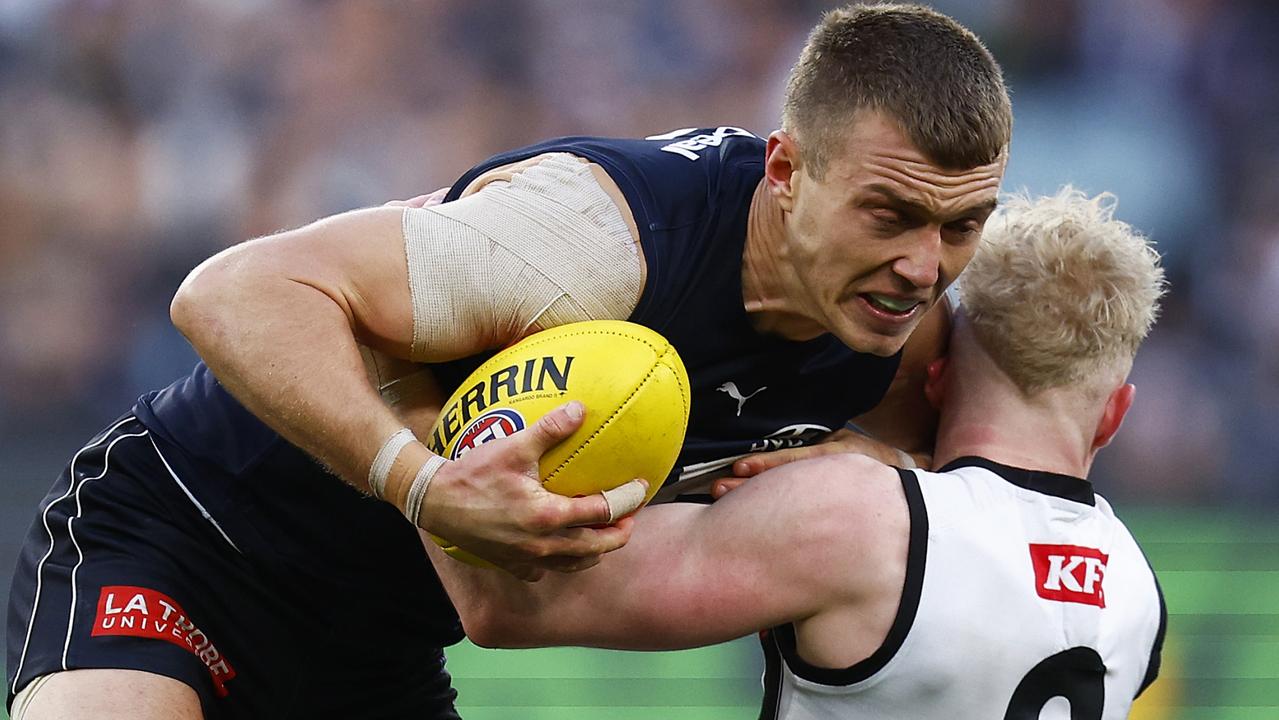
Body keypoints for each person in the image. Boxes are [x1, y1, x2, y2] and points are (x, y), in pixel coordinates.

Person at [5, 4, 1010, 718]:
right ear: (786, 169)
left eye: (963, 226)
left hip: (373, 648)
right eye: (889, 215)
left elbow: (965, 487)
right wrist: (421, 484)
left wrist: (878, 477)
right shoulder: (592, 236)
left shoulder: (899, 327)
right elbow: (231, 291)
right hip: (183, 538)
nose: (923, 266)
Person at [433, 187, 1169, 719]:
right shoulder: (1139, 596)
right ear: (1114, 413)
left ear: (934, 377)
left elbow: (503, 603)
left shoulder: (857, 519)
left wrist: (421, 381)